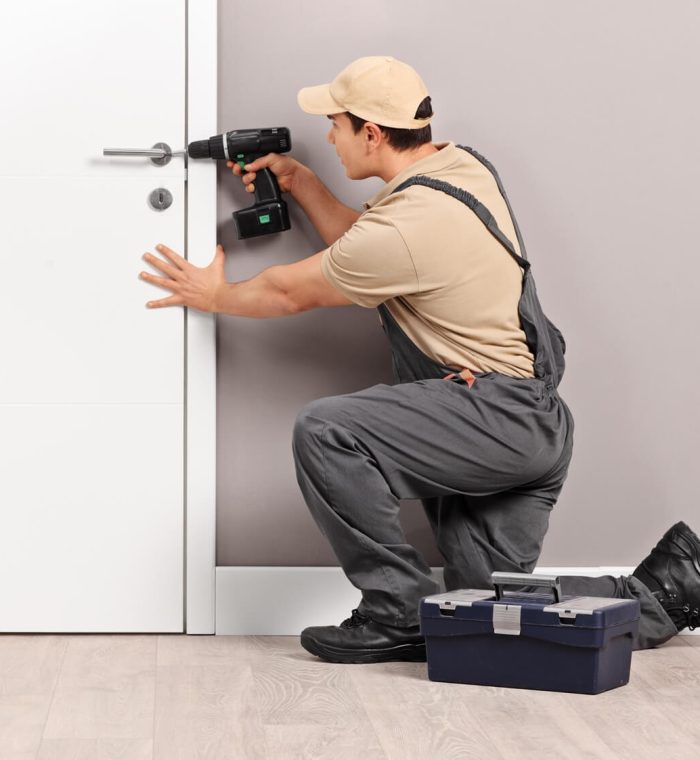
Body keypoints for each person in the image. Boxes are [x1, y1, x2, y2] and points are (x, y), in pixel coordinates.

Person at [139, 56, 699, 662]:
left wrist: (215, 295)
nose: (329, 136)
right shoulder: (460, 167)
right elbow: (374, 246)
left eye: (337, 124)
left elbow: (291, 290)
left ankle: (395, 613)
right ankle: (668, 590)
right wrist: (299, 182)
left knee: (327, 430)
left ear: (371, 134)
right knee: (481, 619)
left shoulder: (404, 229)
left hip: (497, 419)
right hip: (525, 419)